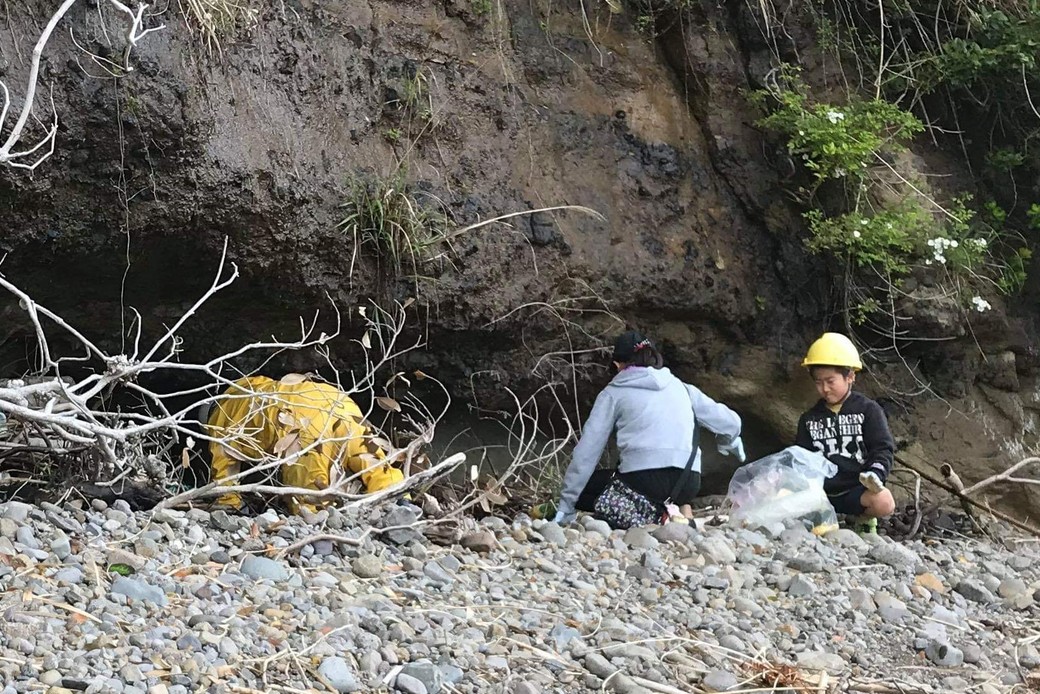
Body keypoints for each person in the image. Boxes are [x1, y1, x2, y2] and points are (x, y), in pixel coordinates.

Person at [550, 330, 746, 525]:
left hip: (644, 483)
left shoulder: (613, 393)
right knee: (665, 479)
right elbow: (731, 422)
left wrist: (566, 505)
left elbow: (587, 451)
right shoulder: (681, 387)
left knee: (588, 487)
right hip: (688, 482)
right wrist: (728, 441)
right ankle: (676, 512)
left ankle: (653, 514)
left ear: (618, 364)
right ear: (653, 356)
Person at [204, 375, 404, 514]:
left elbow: (225, 470)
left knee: (308, 498)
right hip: (338, 402)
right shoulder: (253, 387)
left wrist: (228, 502)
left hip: (304, 421)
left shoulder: (221, 418)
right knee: (370, 457)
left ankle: (321, 531)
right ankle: (398, 499)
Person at [795, 333, 896, 534]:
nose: (824, 389)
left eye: (830, 381)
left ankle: (862, 521)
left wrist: (875, 474)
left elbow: (882, 448)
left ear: (850, 377)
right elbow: (801, 459)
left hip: (855, 491)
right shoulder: (809, 419)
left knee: (884, 502)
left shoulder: (869, 410)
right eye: (818, 382)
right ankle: (821, 521)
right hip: (820, 495)